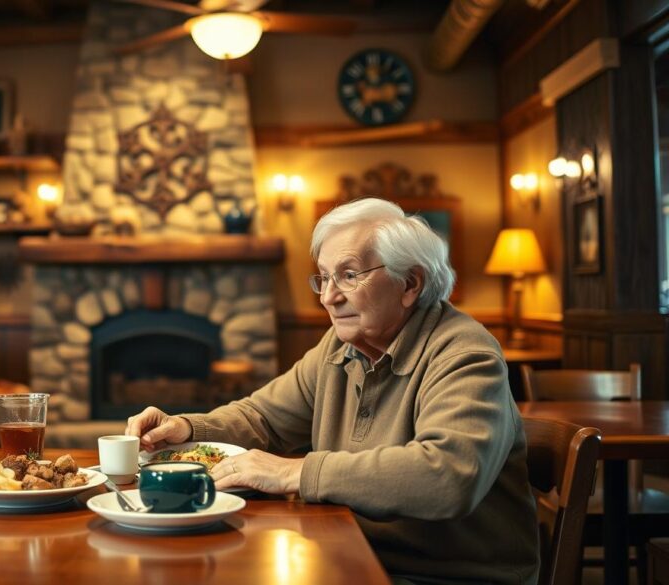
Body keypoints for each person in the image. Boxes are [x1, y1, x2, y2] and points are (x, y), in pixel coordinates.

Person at [126, 198, 539, 584]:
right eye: (323, 277)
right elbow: (263, 417)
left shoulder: (464, 352)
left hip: (442, 576)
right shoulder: (340, 347)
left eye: (349, 275)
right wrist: (187, 428)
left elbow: (448, 475)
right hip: (353, 553)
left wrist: (294, 472)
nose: (328, 297)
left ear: (410, 283)